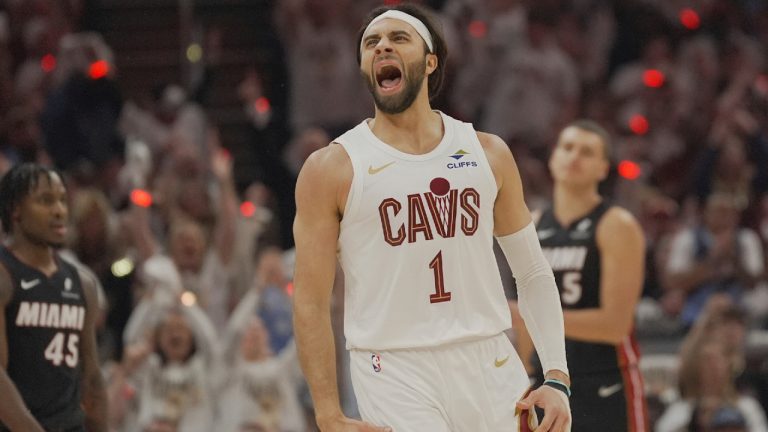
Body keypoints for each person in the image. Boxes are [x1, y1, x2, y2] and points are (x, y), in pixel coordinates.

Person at [292, 4, 571, 432]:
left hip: (489, 357)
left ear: (430, 60)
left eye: (399, 38)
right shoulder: (332, 167)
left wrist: (556, 376)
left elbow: (532, 272)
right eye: (371, 43)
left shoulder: (487, 152)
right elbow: (310, 300)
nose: (382, 46)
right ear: (365, 66)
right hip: (393, 366)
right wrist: (328, 413)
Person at [510, 120, 649, 431]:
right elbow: (522, 326)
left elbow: (615, 325)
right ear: (552, 158)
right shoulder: (532, 224)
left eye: (587, 152)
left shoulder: (617, 225)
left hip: (606, 381)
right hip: (546, 384)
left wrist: (535, 316)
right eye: (567, 147)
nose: (574, 157)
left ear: (603, 168)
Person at [0, 163, 107, 431]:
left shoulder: (83, 283)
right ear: (15, 210)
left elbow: (91, 377)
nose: (59, 211)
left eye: (62, 200)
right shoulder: (4, 275)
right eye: (45, 201)